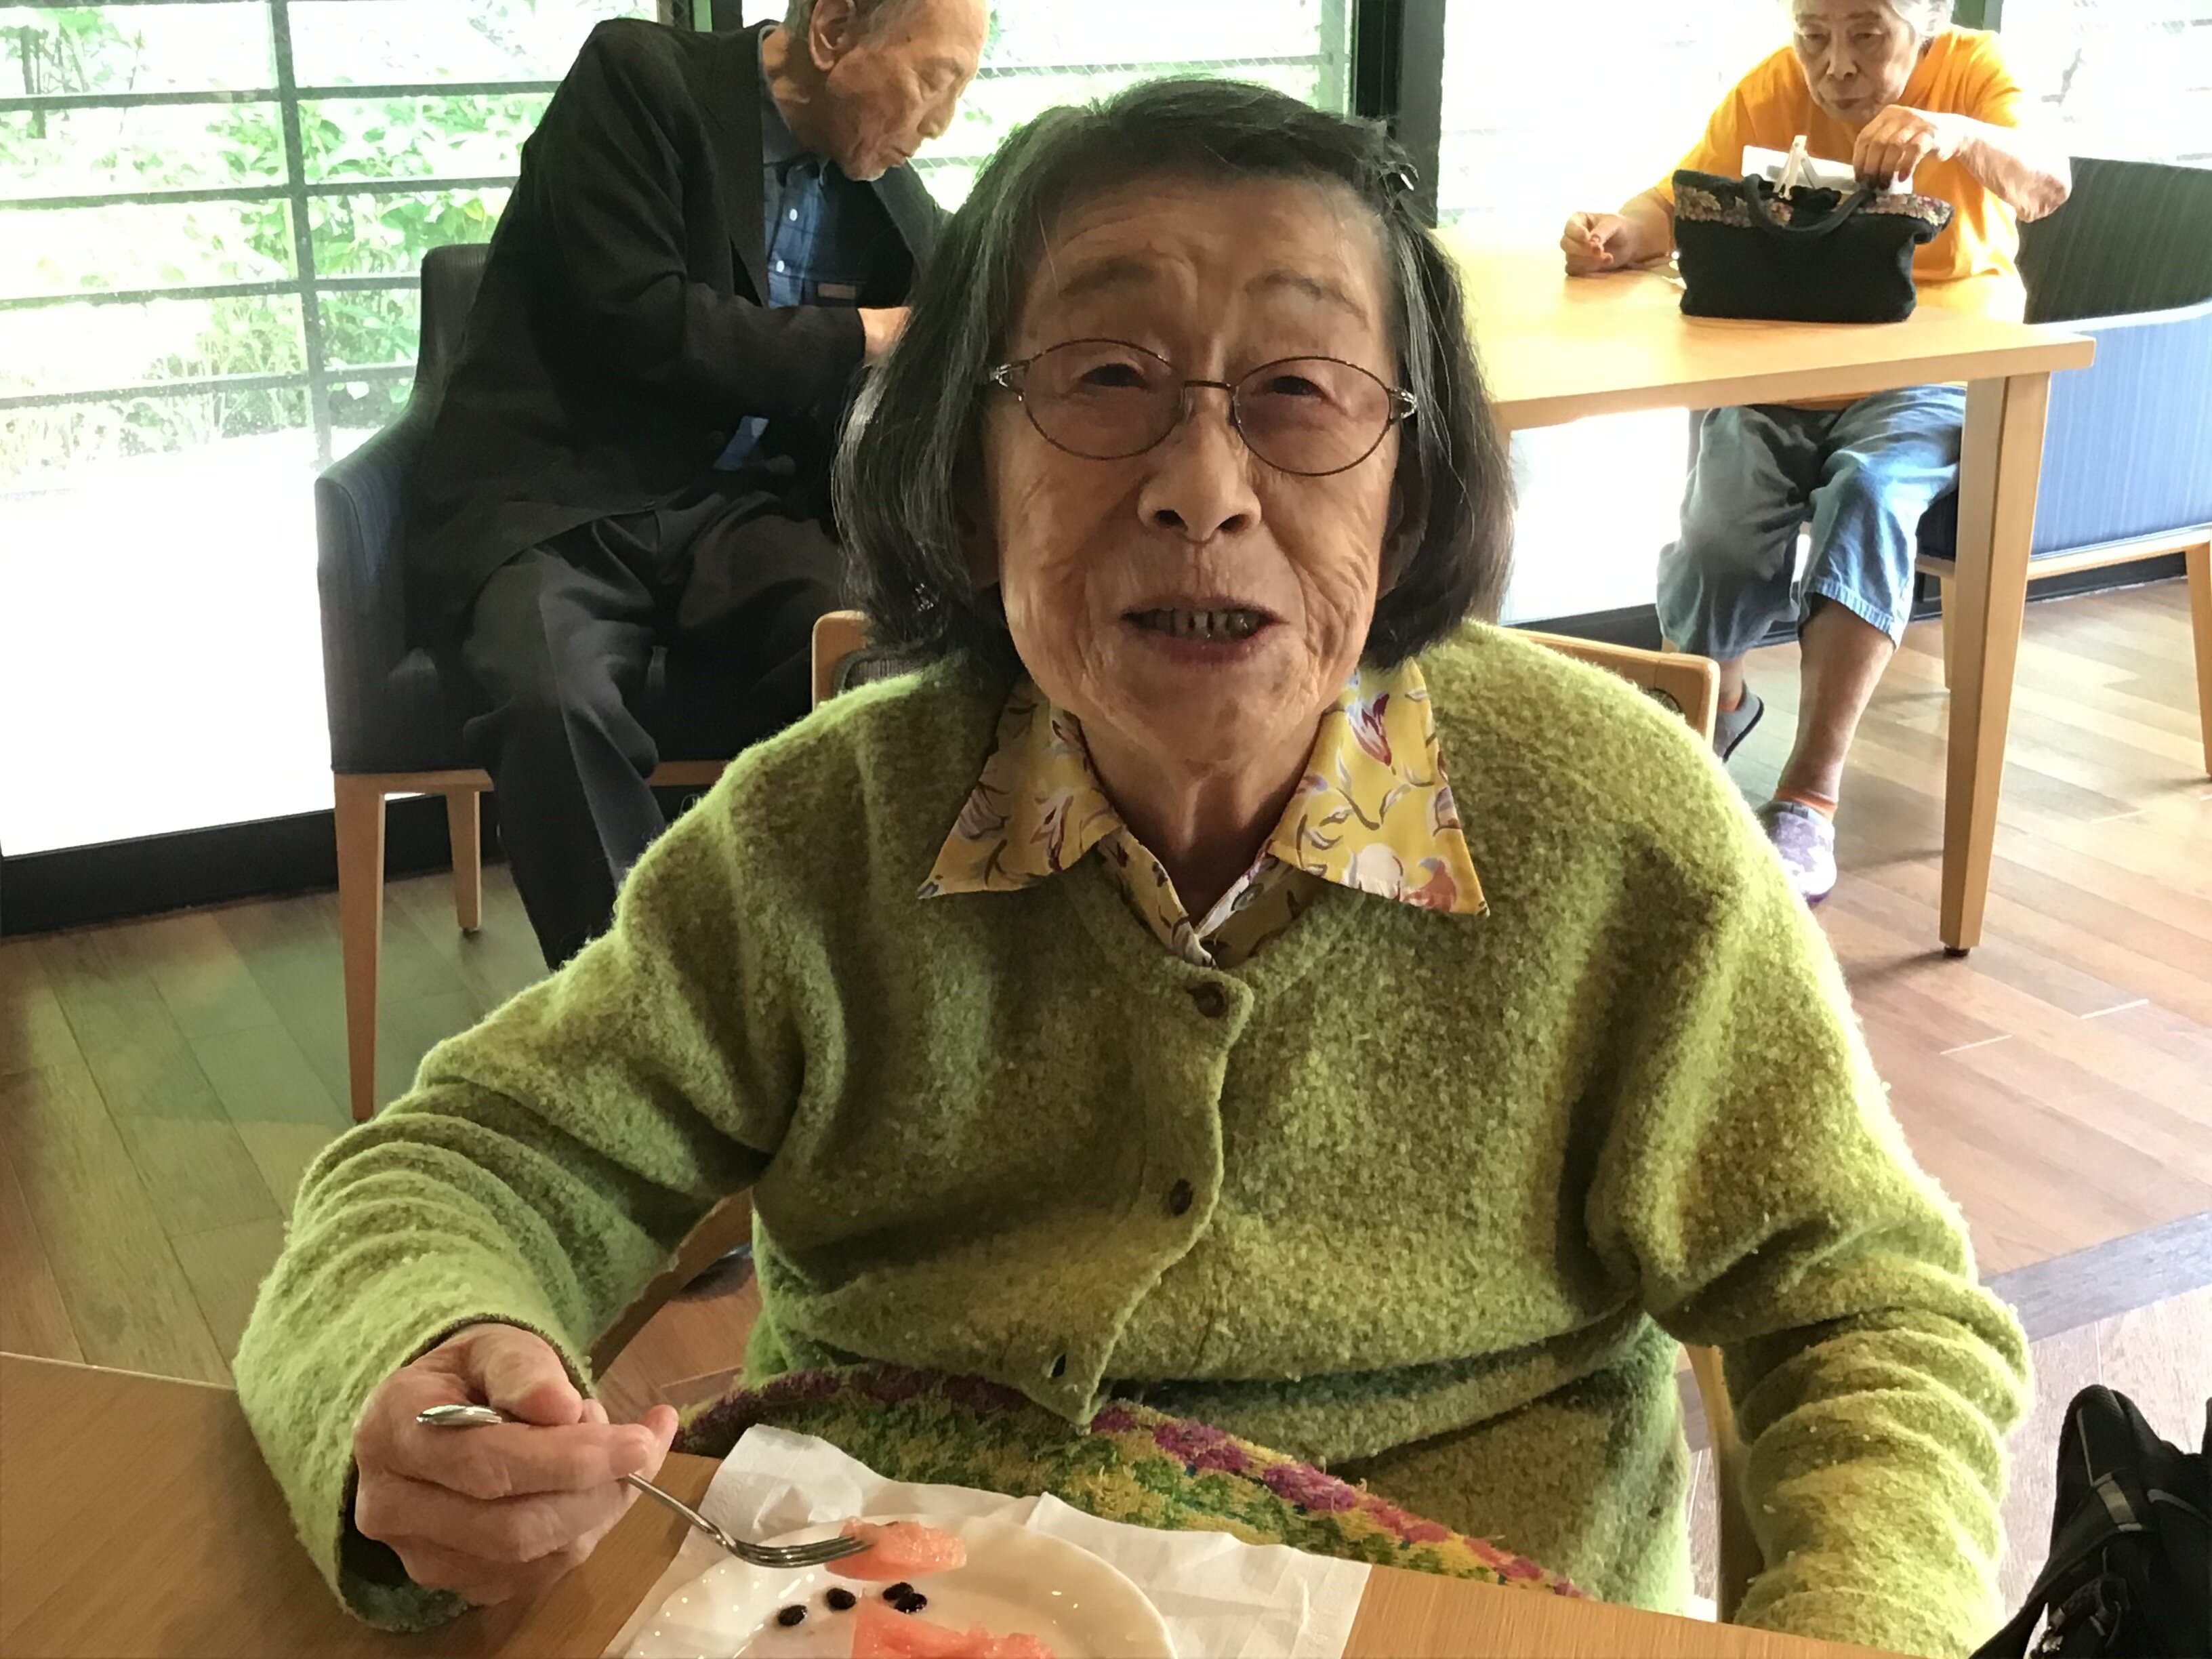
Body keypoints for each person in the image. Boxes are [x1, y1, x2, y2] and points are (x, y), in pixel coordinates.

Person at [242, 79, 2028, 1658]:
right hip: (895, 1611)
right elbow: (472, 1159)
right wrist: (424, 1360)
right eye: (1105, 380)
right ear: (969, 476)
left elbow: (1868, 1311)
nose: (1202, 487)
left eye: (1300, 392)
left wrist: (1857, 1627)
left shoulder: (1614, 828)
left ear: (1410, 485)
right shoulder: (825, 831)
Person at [407, 0, 987, 968]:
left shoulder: (882, 190)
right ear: (834, 32)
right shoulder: (638, 81)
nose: (942, 122)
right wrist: (868, 334)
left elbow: (967, 305)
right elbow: (640, 321)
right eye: (935, 81)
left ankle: (847, 982)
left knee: (876, 654)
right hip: (563, 499)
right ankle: (638, 1008)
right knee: (553, 705)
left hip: (740, 514)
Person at [1559, 0, 2070, 903]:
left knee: (1865, 495)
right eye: (1813, 35)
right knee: (1718, 525)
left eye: (1867, 34)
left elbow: (2047, 183)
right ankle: (1709, 720)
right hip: (1785, 371)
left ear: (1927, 24)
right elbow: (1678, 201)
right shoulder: (1770, 89)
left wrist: (1953, 133)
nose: (1835, 64)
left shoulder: (1974, 71)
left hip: (1930, 374)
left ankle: (1808, 798)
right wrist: (1619, 235)